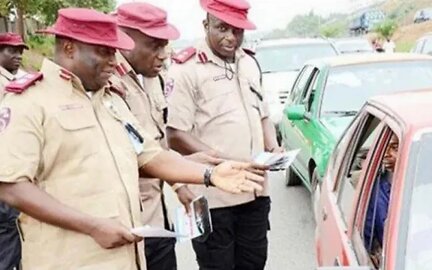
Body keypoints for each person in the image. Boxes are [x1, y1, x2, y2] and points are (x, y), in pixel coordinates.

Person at [0, 8, 265, 270]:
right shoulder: (29, 102)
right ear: (69, 48)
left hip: (126, 256)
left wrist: (210, 173)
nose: (114, 61)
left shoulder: (111, 99)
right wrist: (92, 226)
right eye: (104, 51)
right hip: (69, 260)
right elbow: (11, 186)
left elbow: (149, 154)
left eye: (114, 51)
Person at [166, 0, 281, 269]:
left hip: (255, 192)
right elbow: (175, 135)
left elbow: (262, 115)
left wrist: (273, 148)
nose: (231, 37)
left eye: (238, 30)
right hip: (211, 196)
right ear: (206, 25)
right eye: (222, 28)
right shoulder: (185, 69)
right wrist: (224, 163)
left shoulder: (250, 62)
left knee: (254, 263)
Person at [113, 3, 220, 269]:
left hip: (157, 219)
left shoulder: (153, 77)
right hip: (125, 226)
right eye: (154, 45)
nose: (163, 55)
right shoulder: (107, 83)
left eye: (165, 45)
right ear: (124, 38)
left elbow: (158, 142)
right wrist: (193, 169)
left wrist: (179, 187)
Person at [0, 31, 28, 270]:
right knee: (8, 230)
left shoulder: (14, 79)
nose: (18, 55)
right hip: (5, 170)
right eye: (12, 50)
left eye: (20, 51)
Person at [364, 134, 398, 255]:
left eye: (395, 148)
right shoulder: (376, 189)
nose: (387, 154)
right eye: (385, 149)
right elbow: (366, 233)